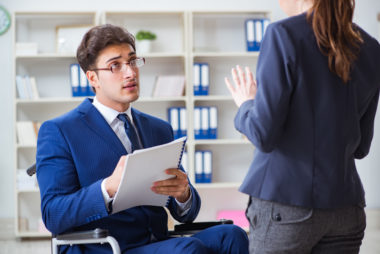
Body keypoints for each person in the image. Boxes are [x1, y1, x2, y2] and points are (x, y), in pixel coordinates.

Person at [36, 24, 248, 254]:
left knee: (232, 235)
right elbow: (53, 214)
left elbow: (187, 213)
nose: (130, 72)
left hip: (157, 241)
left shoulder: (159, 129)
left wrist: (183, 194)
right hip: (107, 247)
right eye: (115, 65)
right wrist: (108, 188)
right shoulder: (60, 130)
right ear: (93, 78)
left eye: (132, 61)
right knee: (188, 249)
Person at [225, 0, 380, 253]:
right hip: (346, 210)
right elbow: (361, 147)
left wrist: (246, 104)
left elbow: (263, 134)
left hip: (286, 207)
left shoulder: (282, 35)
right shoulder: (372, 48)